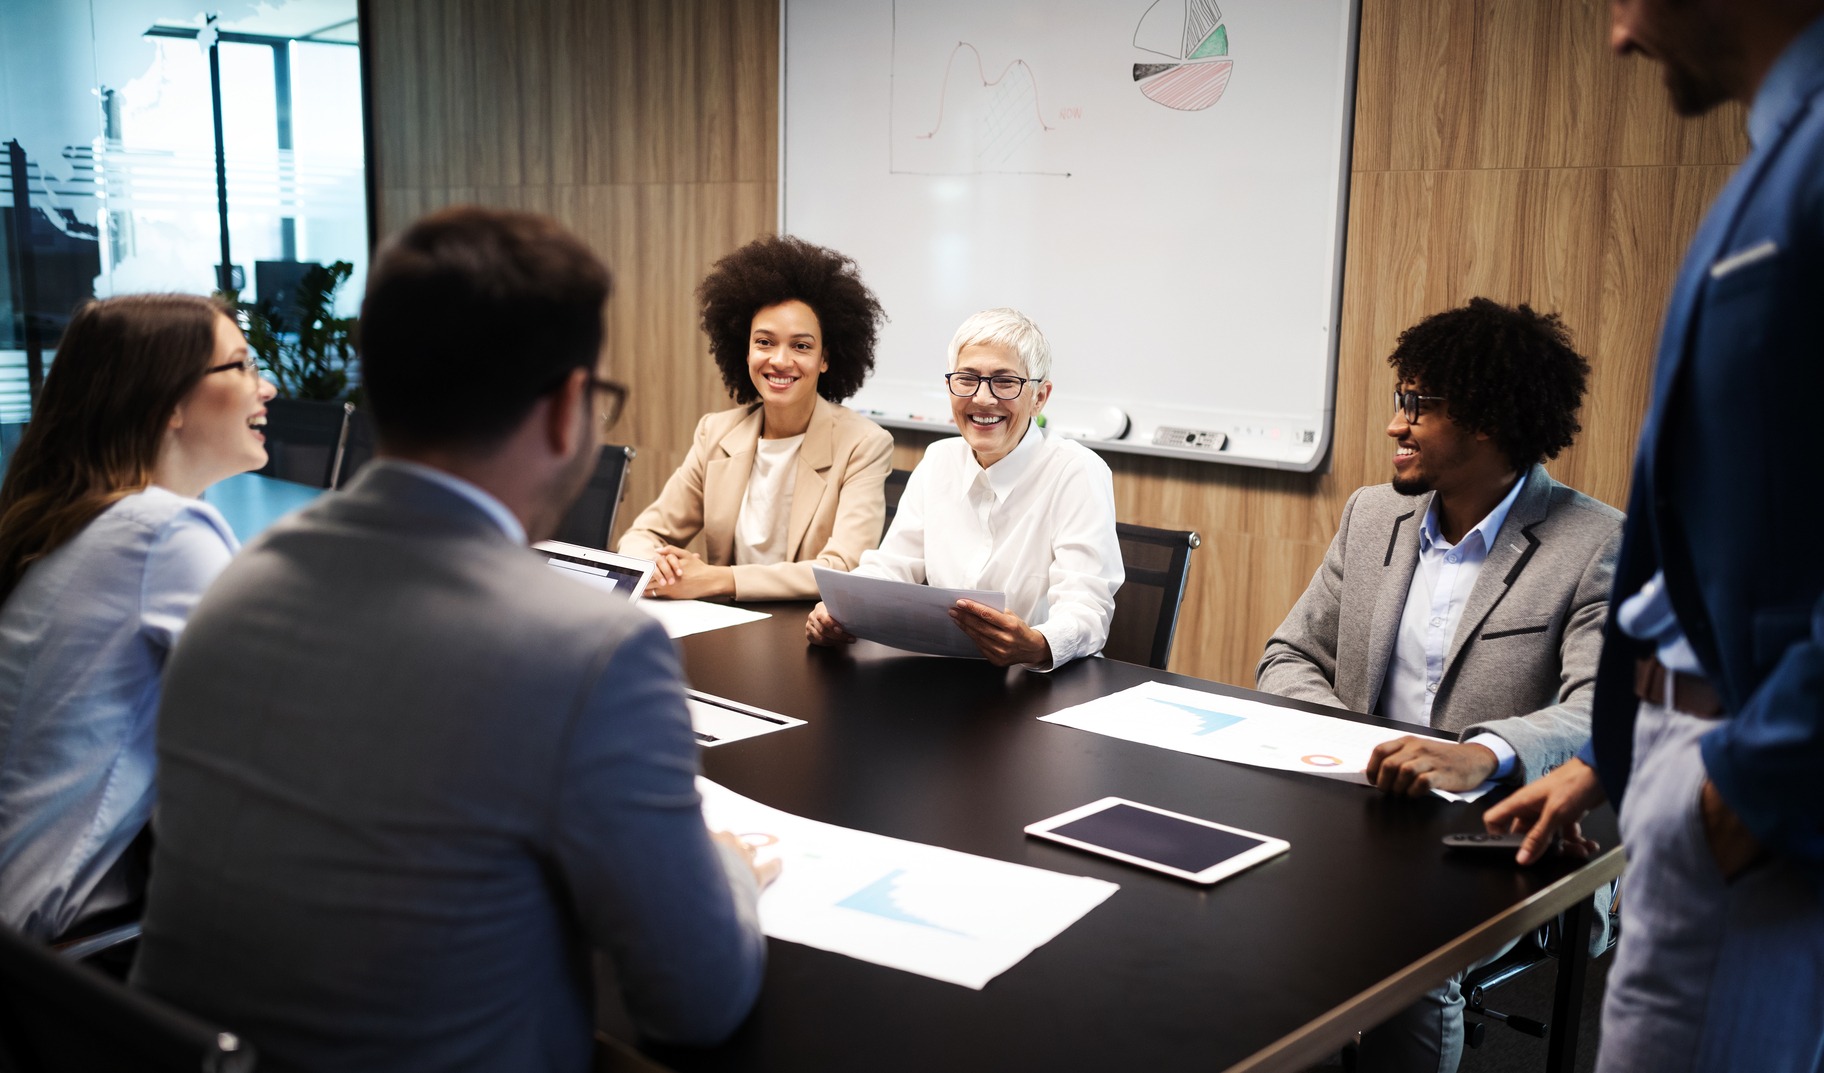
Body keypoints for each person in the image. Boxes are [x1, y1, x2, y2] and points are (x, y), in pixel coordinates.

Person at [132, 207, 770, 1071]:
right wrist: (727, 870)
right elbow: (696, 999)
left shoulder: (236, 584)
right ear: (568, 411)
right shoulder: (592, 650)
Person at [1485, 4, 1824, 1071]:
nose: (1618, 36)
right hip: (1696, 770)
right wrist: (1611, 755)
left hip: (1754, 799)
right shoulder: (1779, 157)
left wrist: (1753, 783)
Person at [1257, 298, 1622, 1073]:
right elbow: (1288, 655)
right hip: (1359, 811)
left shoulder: (1594, 542)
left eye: (1419, 405)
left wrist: (1481, 753)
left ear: (1488, 420)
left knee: (1408, 958)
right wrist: (1355, 746)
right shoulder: (1370, 516)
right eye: (1402, 400)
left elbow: (1603, 709)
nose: (1397, 424)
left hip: (1499, 838)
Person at [0, 294, 274, 942]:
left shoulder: (77, 519)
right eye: (239, 365)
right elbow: (280, 716)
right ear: (167, 402)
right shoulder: (161, 531)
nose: (265, 386)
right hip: (67, 944)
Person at [806, 307, 1122, 669]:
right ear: (949, 387)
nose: (983, 398)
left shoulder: (1077, 471)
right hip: (948, 674)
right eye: (967, 379)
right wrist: (840, 610)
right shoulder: (939, 459)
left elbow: (1088, 609)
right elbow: (892, 566)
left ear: (1039, 397)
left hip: (1042, 681)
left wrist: (1037, 644)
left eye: (1005, 381)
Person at [617, 234, 892, 601]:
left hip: (806, 625)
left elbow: (843, 568)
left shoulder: (864, 444)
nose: (779, 360)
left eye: (801, 346)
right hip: (725, 621)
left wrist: (719, 579)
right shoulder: (715, 433)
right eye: (764, 342)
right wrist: (655, 562)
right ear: (744, 350)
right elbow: (641, 535)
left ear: (825, 358)